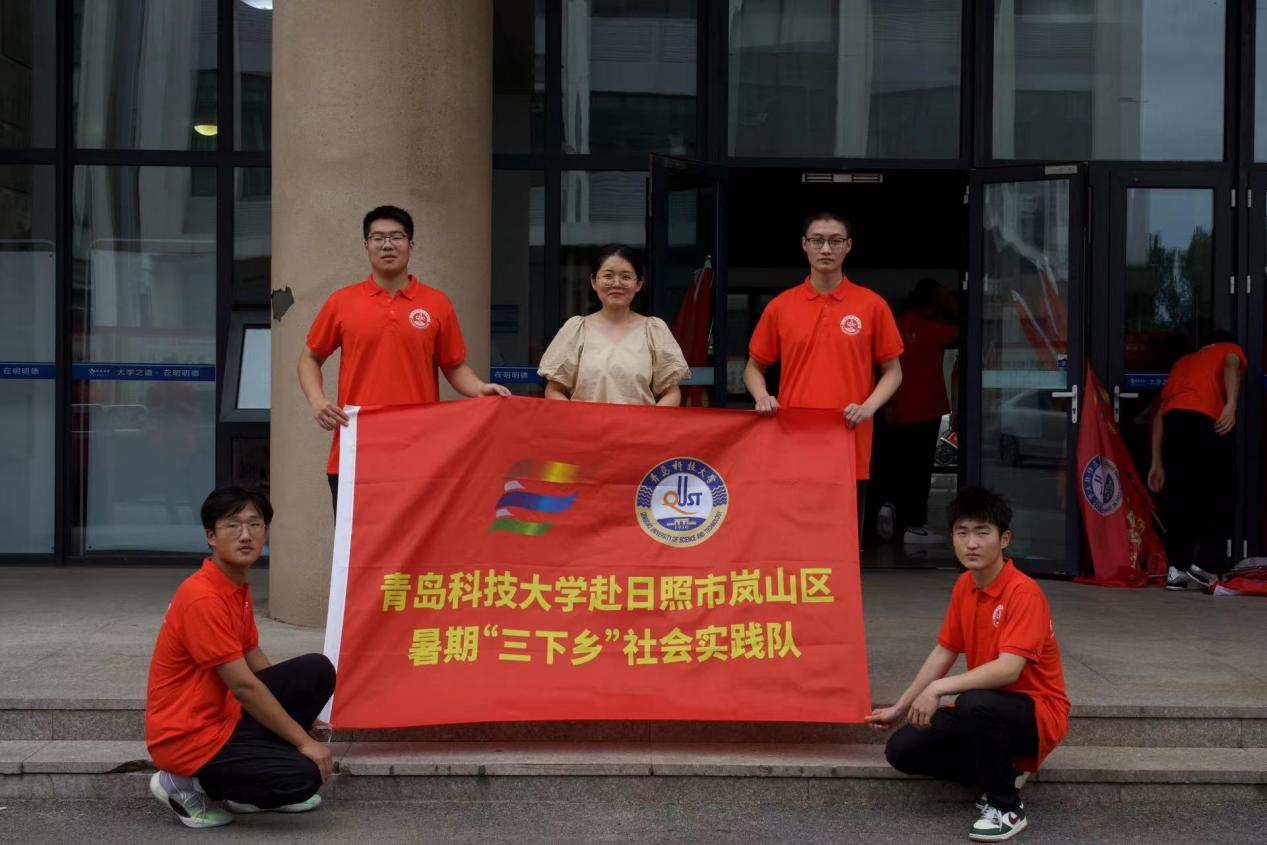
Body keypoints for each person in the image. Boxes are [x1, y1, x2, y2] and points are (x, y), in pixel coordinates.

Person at [865, 487, 1069, 842]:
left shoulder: (1024, 592)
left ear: (1004, 539)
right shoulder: (965, 585)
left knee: (974, 702)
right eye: (962, 533)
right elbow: (944, 651)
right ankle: (1004, 772)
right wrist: (900, 707)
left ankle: (1006, 807)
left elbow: (1008, 670)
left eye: (982, 533)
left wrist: (939, 689)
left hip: (1038, 713)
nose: (971, 543)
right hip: (988, 709)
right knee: (903, 750)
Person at [146, 487, 336, 829]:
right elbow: (244, 686)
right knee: (301, 778)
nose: (246, 535)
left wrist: (295, 716)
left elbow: (253, 658)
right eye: (232, 525)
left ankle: (247, 792)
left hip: (224, 717)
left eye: (255, 524)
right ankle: (181, 782)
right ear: (211, 537)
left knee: (316, 670)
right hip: (189, 737)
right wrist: (303, 741)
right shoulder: (203, 597)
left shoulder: (233, 586)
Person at [299, 205, 509, 511]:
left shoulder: (437, 303)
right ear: (366, 246)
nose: (387, 245)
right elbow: (309, 358)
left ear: (411, 245)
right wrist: (317, 401)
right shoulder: (341, 302)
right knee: (358, 542)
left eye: (397, 237)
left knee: (417, 541)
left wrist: (479, 388)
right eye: (378, 238)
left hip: (419, 452)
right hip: (357, 450)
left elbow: (453, 365)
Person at [743, 211, 903, 532]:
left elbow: (893, 371)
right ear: (804, 245)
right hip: (793, 441)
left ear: (848, 246)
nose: (826, 249)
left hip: (849, 441)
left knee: (845, 541)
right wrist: (762, 396)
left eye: (835, 241)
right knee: (794, 539)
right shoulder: (781, 306)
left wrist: (868, 407)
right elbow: (753, 367)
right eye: (817, 241)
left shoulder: (872, 305)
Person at [1147, 330, 1247, 591]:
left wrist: (1157, 462)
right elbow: (1231, 365)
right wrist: (1231, 405)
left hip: (1174, 423)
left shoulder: (1183, 362)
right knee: (1221, 492)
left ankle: (1177, 568)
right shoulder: (1228, 349)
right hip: (1205, 420)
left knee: (1181, 497)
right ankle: (1208, 565)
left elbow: (1159, 415)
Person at [538, 244, 690, 405]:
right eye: (608, 276)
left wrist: (651, 420)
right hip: (586, 422)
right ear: (594, 281)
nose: (616, 283)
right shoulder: (576, 329)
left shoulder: (654, 330)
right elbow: (554, 390)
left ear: (638, 284)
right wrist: (579, 418)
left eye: (625, 277)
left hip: (639, 422)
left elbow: (671, 393)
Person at [889, 278, 959, 545]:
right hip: (926, 408)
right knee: (919, 471)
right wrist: (951, 304)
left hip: (895, 407)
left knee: (897, 466)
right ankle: (915, 527)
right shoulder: (933, 328)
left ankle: (889, 510)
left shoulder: (896, 325)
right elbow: (965, 330)